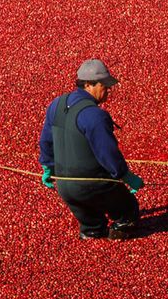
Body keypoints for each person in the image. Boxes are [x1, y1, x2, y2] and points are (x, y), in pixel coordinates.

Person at [38, 59, 145, 239]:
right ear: (88, 85)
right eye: (104, 85)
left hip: (64, 186)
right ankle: (121, 229)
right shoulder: (95, 115)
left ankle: (92, 231)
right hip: (94, 184)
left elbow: (46, 141)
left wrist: (48, 167)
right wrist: (125, 176)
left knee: (92, 225)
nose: (109, 90)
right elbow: (107, 153)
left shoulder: (56, 104)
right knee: (128, 210)